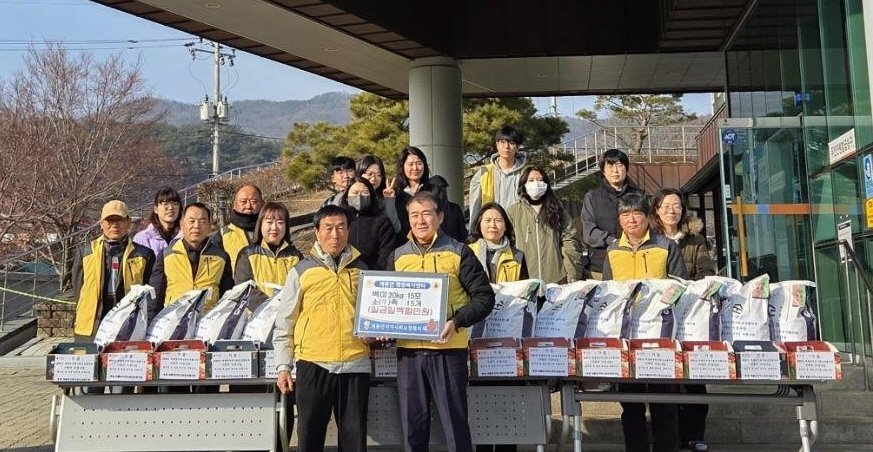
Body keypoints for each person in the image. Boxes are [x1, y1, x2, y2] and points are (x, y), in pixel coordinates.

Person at [388, 191, 495, 452]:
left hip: (448, 350)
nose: (420, 221)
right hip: (409, 353)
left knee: (455, 425)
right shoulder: (398, 256)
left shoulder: (458, 252)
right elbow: (388, 304)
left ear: (440, 217)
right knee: (413, 428)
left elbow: (484, 298)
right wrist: (382, 326)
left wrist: (455, 322)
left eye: (426, 214)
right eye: (414, 215)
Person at [273, 205, 370, 452]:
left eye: (341, 228)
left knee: (354, 441)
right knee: (309, 438)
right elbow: (285, 321)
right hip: (313, 363)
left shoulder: (364, 270)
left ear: (348, 231)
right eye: (328, 228)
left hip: (355, 363)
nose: (335, 234)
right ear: (316, 232)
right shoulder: (301, 271)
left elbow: (374, 315)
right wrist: (283, 366)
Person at [602, 193, 687, 452]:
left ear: (648, 217)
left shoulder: (665, 246)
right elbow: (607, 294)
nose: (631, 219)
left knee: (664, 403)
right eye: (625, 214)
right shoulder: (613, 251)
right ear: (619, 220)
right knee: (630, 404)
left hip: (660, 337)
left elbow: (681, 287)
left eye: (637, 213)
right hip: (626, 338)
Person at [651, 188, 716, 452]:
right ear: (656, 210)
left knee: (694, 380)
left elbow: (706, 271)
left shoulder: (695, 240)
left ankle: (694, 435)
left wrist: (689, 289)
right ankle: (671, 436)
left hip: (690, 314)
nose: (672, 210)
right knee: (665, 380)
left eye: (676, 206)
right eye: (666, 206)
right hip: (659, 316)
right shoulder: (652, 240)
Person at [72, 200, 154, 395]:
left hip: (127, 327)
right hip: (91, 326)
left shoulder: (144, 255)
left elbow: (149, 293)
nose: (114, 225)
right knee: (90, 386)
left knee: (122, 388)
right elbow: (78, 289)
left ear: (128, 223)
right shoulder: (86, 252)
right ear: (101, 224)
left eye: (119, 220)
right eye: (109, 221)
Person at [150, 202, 234, 317]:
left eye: (202, 221)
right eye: (191, 221)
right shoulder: (167, 255)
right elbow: (155, 295)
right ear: (181, 224)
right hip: (173, 320)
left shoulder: (221, 257)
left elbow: (227, 296)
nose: (196, 226)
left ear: (209, 225)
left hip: (206, 320)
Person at [506, 166, 585, 286]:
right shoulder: (514, 211)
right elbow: (508, 244)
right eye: (531, 180)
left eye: (540, 180)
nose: (536, 184)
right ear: (524, 184)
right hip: (525, 281)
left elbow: (570, 242)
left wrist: (572, 276)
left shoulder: (558, 209)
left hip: (556, 280)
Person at [581, 148, 645, 279]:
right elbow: (589, 232)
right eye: (610, 166)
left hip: (634, 264)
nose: (615, 171)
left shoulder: (639, 196)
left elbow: (647, 226)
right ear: (603, 171)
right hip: (600, 266)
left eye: (619, 165)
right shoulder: (592, 197)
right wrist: (613, 241)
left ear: (626, 169)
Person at [234, 202, 304, 305]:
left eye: (280, 222)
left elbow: (302, 287)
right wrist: (269, 306)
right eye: (269, 222)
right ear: (260, 224)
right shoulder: (247, 254)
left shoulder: (296, 257)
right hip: (257, 313)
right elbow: (244, 289)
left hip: (288, 312)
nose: (274, 227)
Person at [468, 125, 528, 229]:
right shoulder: (484, 173)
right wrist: (473, 231)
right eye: (502, 142)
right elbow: (475, 207)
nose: (506, 147)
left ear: (518, 147)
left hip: (520, 228)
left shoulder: (527, 173)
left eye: (511, 143)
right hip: (492, 229)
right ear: (497, 144)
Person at [339, 176, 395, 270]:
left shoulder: (381, 222)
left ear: (371, 197)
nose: (359, 196)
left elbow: (386, 254)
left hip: (372, 275)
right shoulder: (339, 221)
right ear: (347, 197)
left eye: (364, 192)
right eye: (355, 192)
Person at [468, 202, 528, 284]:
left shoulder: (518, 256)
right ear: (479, 225)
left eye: (498, 221)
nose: (493, 225)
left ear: (505, 226)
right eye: (488, 220)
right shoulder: (468, 253)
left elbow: (524, 288)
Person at [383, 146, 432, 240]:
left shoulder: (433, 190)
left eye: (419, 163)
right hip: (403, 243)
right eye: (410, 164)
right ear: (402, 167)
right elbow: (392, 224)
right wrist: (389, 200)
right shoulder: (396, 193)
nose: (415, 168)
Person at [214, 184, 264, 273]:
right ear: (235, 205)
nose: (248, 206)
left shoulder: (271, 232)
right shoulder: (223, 235)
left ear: (262, 204)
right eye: (243, 201)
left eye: (254, 201)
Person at [357, 154, 401, 232]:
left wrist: (389, 200)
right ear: (360, 174)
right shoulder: (349, 196)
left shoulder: (382, 201)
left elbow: (395, 229)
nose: (373, 178)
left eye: (378, 175)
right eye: (369, 174)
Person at [133, 186, 182, 256]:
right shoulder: (143, 238)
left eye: (175, 204)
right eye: (165, 204)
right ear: (156, 209)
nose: (170, 208)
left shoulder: (186, 237)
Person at [428, 175, 468, 243]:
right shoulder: (455, 208)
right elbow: (463, 235)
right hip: (454, 245)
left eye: (443, 190)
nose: (442, 193)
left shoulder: (427, 210)